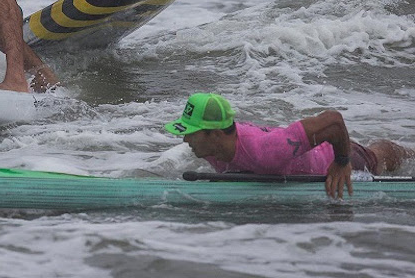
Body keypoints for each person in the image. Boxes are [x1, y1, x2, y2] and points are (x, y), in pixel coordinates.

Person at [165, 92, 415, 199]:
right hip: (299, 158)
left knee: (379, 157)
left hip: (338, 158)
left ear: (216, 134)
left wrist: (341, 162)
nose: (185, 139)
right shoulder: (213, 147)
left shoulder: (266, 151)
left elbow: (334, 121)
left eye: (191, 133)